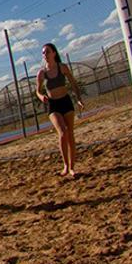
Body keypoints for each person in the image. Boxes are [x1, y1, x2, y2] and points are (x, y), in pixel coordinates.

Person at [35, 42, 85, 178]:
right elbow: (37, 91)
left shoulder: (62, 67)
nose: (45, 55)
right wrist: (41, 97)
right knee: (63, 132)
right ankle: (65, 166)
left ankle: (72, 168)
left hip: (66, 101)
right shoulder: (41, 73)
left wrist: (79, 99)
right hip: (53, 105)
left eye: (47, 52)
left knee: (70, 133)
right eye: (43, 53)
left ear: (54, 53)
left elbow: (73, 83)